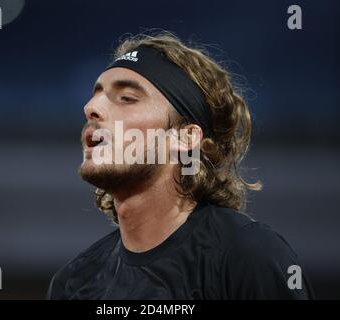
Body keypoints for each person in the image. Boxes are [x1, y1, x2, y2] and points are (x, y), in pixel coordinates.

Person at [47, 31, 314, 300]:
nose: (91, 107)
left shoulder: (247, 255)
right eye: (96, 95)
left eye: (127, 98)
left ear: (185, 136)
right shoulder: (73, 283)